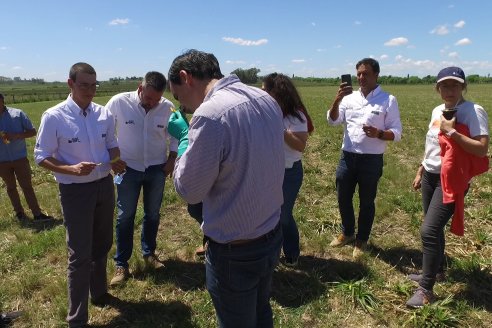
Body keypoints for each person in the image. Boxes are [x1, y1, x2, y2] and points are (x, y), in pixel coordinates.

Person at [167, 49, 284, 328]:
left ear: (186, 77)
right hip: (270, 233)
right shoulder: (264, 98)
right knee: (261, 310)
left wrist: (185, 138)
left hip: (235, 251)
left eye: (178, 96)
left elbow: (189, 191)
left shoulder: (210, 114)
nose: (183, 105)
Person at [34, 62, 126, 327]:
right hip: (75, 191)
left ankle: (98, 292)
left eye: (94, 85)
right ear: (70, 84)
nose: (90, 90)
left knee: (103, 243)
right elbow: (41, 156)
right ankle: (77, 318)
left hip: (104, 186)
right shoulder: (54, 116)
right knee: (79, 254)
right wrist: (69, 169)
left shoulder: (103, 114)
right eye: (84, 85)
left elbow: (111, 146)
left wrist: (114, 160)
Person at [406, 67, 489, 308]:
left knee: (428, 231)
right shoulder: (437, 110)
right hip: (431, 175)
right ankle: (437, 270)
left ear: (463, 87)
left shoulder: (473, 111)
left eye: (455, 85)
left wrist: (452, 132)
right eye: (444, 85)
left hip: (451, 180)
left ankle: (426, 289)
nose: (449, 90)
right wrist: (421, 169)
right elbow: (432, 144)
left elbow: (482, 148)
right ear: (437, 88)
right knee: (434, 228)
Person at [105, 71, 178, 286]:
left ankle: (149, 254)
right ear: (140, 88)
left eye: (157, 99)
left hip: (157, 168)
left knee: (153, 214)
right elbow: (105, 132)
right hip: (127, 168)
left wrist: (172, 158)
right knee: (125, 216)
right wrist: (112, 159)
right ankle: (122, 264)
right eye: (148, 98)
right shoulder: (119, 102)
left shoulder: (166, 107)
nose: (152, 103)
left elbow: (175, 135)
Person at [327, 58, 402, 258]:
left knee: (367, 202)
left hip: (371, 160)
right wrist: (337, 99)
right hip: (347, 158)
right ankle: (348, 233)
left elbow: (397, 133)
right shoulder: (348, 98)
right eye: (358, 73)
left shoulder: (388, 100)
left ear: (376, 75)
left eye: (366, 73)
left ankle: (362, 240)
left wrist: (379, 133)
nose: (361, 77)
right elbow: (333, 121)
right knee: (343, 197)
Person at [262, 73, 314, 267]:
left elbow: (300, 145)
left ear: (277, 92)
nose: (262, 93)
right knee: (268, 215)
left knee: (283, 215)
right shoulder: (264, 112)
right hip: (268, 171)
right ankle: (272, 254)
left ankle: (291, 252)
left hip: (289, 173)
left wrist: (281, 130)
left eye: (265, 90)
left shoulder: (296, 115)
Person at [0, 93, 53, 222]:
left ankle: (37, 214)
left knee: (27, 186)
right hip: (2, 161)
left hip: (20, 158)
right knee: (11, 187)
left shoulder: (17, 114)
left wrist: (17, 135)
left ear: (2, 101)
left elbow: (33, 131)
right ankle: (19, 213)